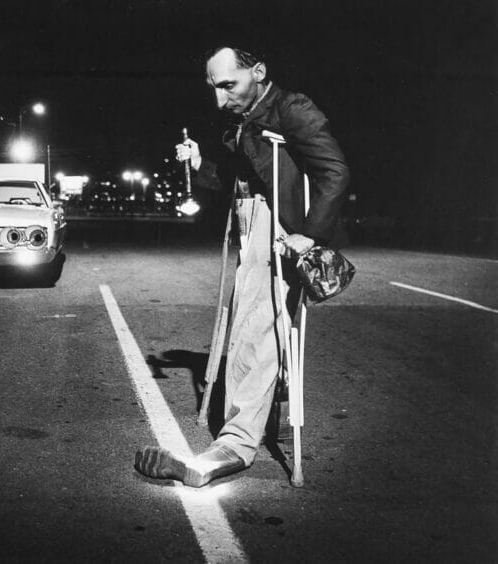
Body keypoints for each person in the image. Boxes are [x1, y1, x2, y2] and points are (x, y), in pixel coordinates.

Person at [134, 45, 350, 487]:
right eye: (214, 88)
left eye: (228, 85)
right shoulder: (243, 116)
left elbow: (335, 172)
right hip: (250, 225)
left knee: (256, 331)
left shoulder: (293, 108)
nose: (220, 98)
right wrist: (200, 162)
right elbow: (235, 174)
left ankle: (234, 443)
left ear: (259, 71)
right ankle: (264, 401)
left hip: (281, 233)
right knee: (249, 327)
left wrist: (309, 233)